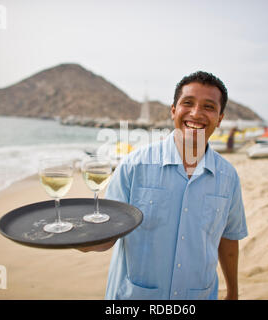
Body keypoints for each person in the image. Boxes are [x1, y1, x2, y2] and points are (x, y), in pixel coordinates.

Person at [78, 71, 248, 300]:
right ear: (173, 110)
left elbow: (228, 238)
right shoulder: (133, 166)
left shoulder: (228, 177)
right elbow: (109, 235)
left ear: (219, 118)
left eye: (209, 107)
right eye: (188, 103)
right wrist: (82, 238)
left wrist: (233, 293)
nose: (196, 113)